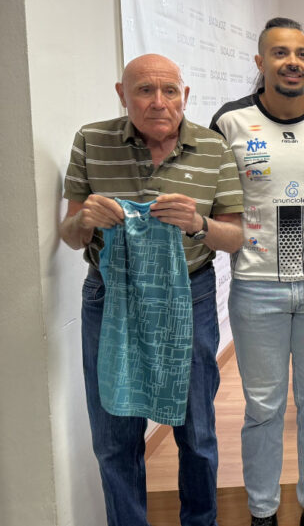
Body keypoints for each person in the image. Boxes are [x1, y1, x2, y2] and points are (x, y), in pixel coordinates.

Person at [59, 54, 244, 526]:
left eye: (169, 91)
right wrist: (85, 220)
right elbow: (71, 235)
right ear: (122, 95)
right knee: (115, 435)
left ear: (185, 96)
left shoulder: (213, 148)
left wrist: (198, 223)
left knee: (196, 431)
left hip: (190, 295)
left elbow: (235, 237)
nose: (158, 102)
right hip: (111, 297)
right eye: (144, 90)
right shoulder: (91, 141)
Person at [210, 18, 304, 526]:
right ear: (260, 62)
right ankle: (263, 511)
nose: (292, 62)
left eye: (301, 54)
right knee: (263, 408)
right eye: (280, 53)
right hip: (257, 287)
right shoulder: (230, 121)